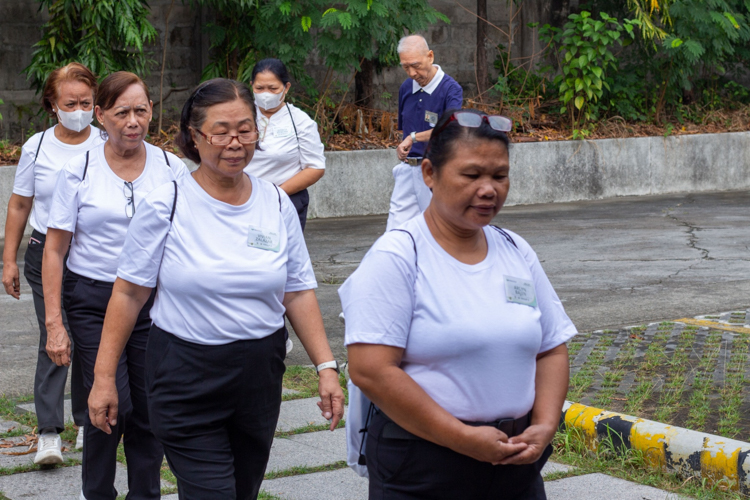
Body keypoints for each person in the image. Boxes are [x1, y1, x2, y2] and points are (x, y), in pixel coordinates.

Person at [86, 78, 345, 499]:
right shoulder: (166, 203)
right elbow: (128, 294)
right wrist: (103, 379)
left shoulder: (276, 202)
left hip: (259, 374)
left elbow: (297, 291)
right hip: (185, 374)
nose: (234, 142)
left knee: (242, 490)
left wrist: (326, 368)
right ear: (194, 135)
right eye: (220, 131)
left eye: (245, 130)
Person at [340, 109, 577, 499]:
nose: (489, 189)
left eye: (500, 176)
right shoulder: (399, 255)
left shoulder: (515, 249)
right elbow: (372, 370)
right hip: (424, 463)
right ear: (429, 174)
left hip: (516, 461)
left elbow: (551, 346)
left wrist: (545, 424)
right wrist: (462, 438)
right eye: (471, 175)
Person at [43, 71, 189, 500]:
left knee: (148, 408)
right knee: (109, 405)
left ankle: (145, 494)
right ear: (101, 115)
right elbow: (54, 250)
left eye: (141, 111)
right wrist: (55, 322)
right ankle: (98, 493)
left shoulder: (171, 167)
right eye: (122, 112)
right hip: (93, 299)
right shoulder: (79, 169)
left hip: (153, 302)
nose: (133, 121)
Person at [2, 62, 103, 464]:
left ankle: (87, 422)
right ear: (52, 105)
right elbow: (20, 203)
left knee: (91, 340)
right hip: (45, 252)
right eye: (69, 103)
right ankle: (47, 431)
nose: (78, 110)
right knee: (54, 338)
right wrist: (8, 259)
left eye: (85, 102)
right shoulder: (37, 146)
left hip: (93, 255)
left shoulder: (106, 143)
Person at [386, 34, 463, 231]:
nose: (412, 73)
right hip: (407, 170)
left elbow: (450, 127)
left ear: (430, 56)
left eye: (416, 65)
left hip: (436, 172)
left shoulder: (450, 89)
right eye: (405, 67)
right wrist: (404, 146)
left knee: (439, 233)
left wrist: (414, 138)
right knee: (395, 234)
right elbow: (405, 128)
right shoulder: (406, 88)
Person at [245, 58, 325, 232]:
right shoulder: (240, 116)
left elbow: (315, 167)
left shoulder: (300, 122)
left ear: (286, 87)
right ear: (251, 86)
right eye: (259, 88)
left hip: (286, 200)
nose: (266, 94)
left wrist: (275, 194)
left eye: (273, 88)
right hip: (242, 201)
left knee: (283, 254)